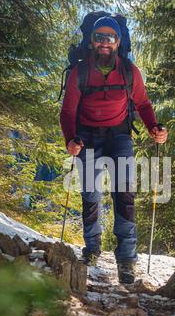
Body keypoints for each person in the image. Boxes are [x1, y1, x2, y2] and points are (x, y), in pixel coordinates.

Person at [60, 16, 168, 284]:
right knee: (91, 194)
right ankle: (92, 249)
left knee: (124, 194)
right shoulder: (80, 72)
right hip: (86, 136)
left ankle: (127, 260)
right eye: (99, 37)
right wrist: (70, 140)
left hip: (119, 136)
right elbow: (68, 111)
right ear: (92, 41)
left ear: (118, 42)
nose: (104, 42)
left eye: (110, 38)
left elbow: (142, 105)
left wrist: (154, 128)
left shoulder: (130, 71)